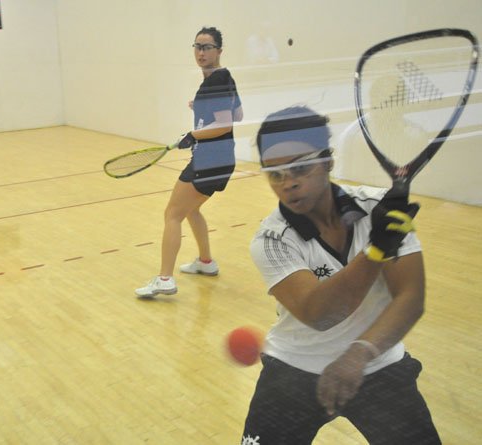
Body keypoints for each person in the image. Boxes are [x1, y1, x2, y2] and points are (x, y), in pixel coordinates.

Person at [241, 106, 441, 444]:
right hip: (294, 371)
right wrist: (376, 250)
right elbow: (321, 314)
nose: (288, 184)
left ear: (329, 161)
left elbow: (410, 298)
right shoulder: (271, 240)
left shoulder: (379, 209)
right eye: (274, 174)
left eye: (300, 167)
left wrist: (360, 353)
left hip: (379, 365)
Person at [135, 26, 242, 298]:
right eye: (197, 46)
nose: (201, 52)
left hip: (209, 159)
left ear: (219, 50)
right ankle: (206, 262)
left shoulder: (215, 81)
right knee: (191, 210)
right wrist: (201, 107)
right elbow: (238, 114)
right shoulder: (224, 77)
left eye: (207, 47)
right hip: (223, 159)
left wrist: (193, 134)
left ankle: (164, 279)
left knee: (172, 214)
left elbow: (225, 123)